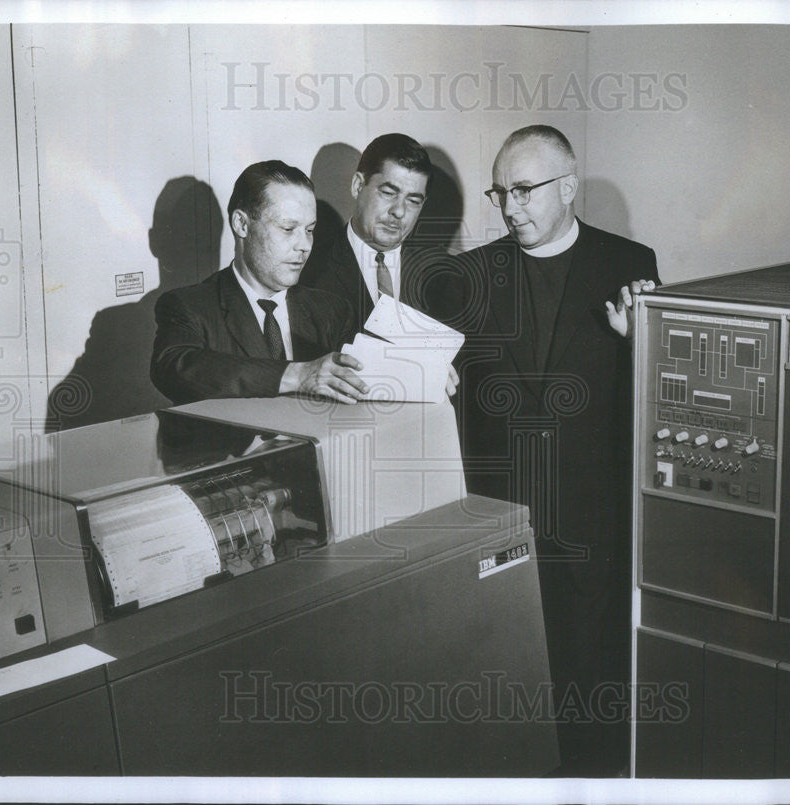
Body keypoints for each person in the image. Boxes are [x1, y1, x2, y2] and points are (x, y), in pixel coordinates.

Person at [454, 125, 659, 776]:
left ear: (568, 186)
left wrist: (639, 344)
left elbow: (658, 402)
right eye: (500, 192)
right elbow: (434, 385)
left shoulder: (629, 265)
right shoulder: (471, 276)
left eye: (523, 190)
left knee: (594, 690)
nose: (510, 207)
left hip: (595, 527)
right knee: (512, 691)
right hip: (501, 525)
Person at [151, 160, 368, 406]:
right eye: (288, 229)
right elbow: (175, 368)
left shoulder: (332, 310)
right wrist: (296, 375)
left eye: (309, 230)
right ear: (242, 224)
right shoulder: (190, 307)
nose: (305, 245)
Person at [300, 132, 459, 335]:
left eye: (413, 201)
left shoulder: (446, 276)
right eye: (388, 193)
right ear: (358, 186)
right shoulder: (306, 270)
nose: (399, 211)